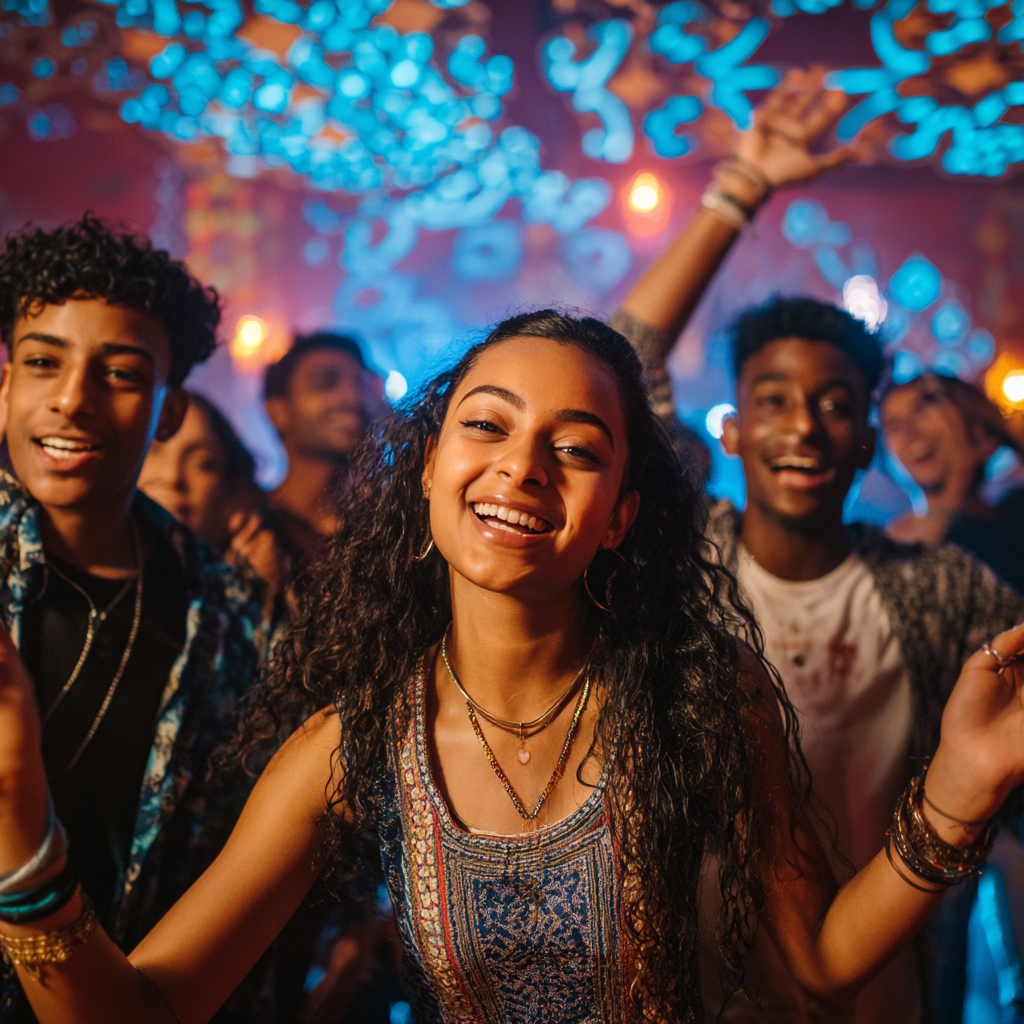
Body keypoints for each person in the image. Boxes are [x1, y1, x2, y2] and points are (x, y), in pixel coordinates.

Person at [1, 308, 1024, 1024]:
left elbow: (819, 967)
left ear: (623, 513)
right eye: (485, 425)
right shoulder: (348, 744)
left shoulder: (702, 689)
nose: (521, 467)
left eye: (575, 447)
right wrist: (14, 824)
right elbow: (146, 1008)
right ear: (430, 468)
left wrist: (959, 788)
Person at [611, 69, 1024, 1023]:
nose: (804, 426)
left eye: (836, 404)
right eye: (774, 402)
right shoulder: (683, 563)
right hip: (692, 993)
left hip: (886, 994)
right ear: (732, 431)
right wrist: (739, 189)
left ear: (866, 442)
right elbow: (624, 359)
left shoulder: (938, 590)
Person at [0, 216, 270, 1023]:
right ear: (6, 385)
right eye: (44, 362)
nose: (72, 400)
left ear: (170, 411)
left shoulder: (226, 615)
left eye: (119, 373)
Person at [881, 371, 1024, 592]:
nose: (910, 434)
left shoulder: (1016, 507)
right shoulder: (894, 546)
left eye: (922, 411)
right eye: (893, 427)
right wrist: (959, 471)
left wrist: (1002, 428)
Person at [139, 390, 288, 595]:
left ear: (232, 493)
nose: (172, 476)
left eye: (202, 464)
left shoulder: (248, 602)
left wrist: (262, 596)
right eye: (153, 451)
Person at [263, 332, 381, 567]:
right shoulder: (252, 524)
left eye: (361, 384)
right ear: (278, 412)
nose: (354, 398)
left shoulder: (380, 529)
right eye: (325, 383)